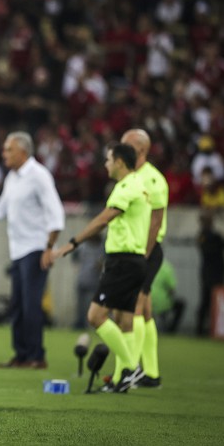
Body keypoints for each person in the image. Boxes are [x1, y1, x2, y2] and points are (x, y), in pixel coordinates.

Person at [0, 132, 65, 369]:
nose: (4, 153)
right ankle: (21, 355)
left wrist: (49, 248)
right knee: (17, 305)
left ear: (23, 151)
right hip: (18, 250)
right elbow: (0, 211)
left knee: (31, 304)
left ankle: (36, 356)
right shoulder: (13, 177)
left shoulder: (39, 175)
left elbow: (56, 215)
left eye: (9, 149)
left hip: (36, 248)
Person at [54, 143, 151, 393]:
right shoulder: (140, 185)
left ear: (119, 162)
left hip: (123, 262)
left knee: (95, 316)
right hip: (135, 261)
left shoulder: (126, 187)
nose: (106, 164)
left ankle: (131, 367)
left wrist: (73, 242)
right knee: (124, 322)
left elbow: (103, 219)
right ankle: (121, 380)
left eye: (108, 160)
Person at [120, 129, 168, 388]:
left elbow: (156, 221)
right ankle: (151, 372)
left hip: (146, 249)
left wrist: (144, 254)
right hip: (134, 249)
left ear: (141, 150)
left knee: (135, 307)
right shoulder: (129, 175)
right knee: (146, 311)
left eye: (125, 145)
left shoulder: (154, 180)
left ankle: (132, 368)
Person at [196, 212, 224, 337]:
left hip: (218, 273)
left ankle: (215, 329)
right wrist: (219, 241)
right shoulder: (204, 236)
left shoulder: (216, 236)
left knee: (216, 302)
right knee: (206, 301)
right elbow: (206, 250)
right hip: (209, 274)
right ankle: (200, 330)